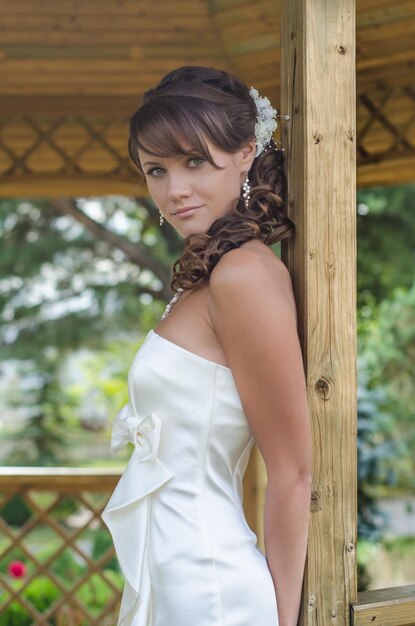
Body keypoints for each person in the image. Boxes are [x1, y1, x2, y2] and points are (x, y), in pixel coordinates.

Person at [102, 65, 312, 626]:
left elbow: (292, 469)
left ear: (246, 151)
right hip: (173, 580)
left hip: (211, 592)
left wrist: (286, 619)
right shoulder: (212, 275)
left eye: (194, 161)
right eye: (155, 170)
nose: (175, 190)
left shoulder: (244, 275)